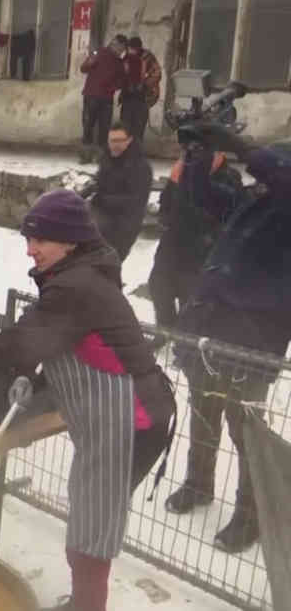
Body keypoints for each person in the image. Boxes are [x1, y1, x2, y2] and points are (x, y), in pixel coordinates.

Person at [0, 190, 174, 611]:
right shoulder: (78, 275)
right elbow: (66, 341)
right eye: (27, 240)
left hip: (131, 419)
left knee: (92, 530)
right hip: (116, 417)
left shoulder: (76, 285)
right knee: (89, 522)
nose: (30, 250)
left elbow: (26, 339)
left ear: (69, 242)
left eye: (40, 240)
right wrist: (34, 377)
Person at [163, 133, 291, 554]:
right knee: (204, 410)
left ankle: (251, 515)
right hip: (214, 328)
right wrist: (197, 153)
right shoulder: (254, 199)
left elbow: (276, 165)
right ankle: (198, 483)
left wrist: (236, 141)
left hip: (255, 337)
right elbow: (201, 196)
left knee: (245, 428)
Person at [148, 148, 242, 332]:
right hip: (172, 241)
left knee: (188, 296)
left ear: (220, 155)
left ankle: (184, 341)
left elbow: (226, 216)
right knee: (159, 287)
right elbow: (166, 202)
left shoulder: (229, 178)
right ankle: (165, 330)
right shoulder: (184, 170)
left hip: (199, 248)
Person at [83, 121, 152, 262]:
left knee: (108, 264)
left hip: (124, 224)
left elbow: (137, 201)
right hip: (101, 217)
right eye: (112, 141)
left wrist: (103, 199)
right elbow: (99, 184)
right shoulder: (106, 159)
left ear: (129, 141)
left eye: (120, 141)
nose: (115, 145)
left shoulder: (141, 167)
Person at [79, 37, 126, 164]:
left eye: (122, 50)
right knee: (88, 126)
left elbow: (122, 81)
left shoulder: (119, 62)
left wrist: (114, 87)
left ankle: (101, 158)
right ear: (113, 44)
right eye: (119, 48)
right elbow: (83, 68)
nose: (120, 51)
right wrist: (90, 62)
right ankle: (85, 156)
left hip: (106, 98)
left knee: (104, 129)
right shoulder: (98, 53)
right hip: (91, 96)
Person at [120, 37, 161, 143]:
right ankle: (125, 153)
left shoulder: (147, 57)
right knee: (125, 127)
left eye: (132, 48)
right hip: (127, 97)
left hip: (143, 98)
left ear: (138, 48)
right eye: (129, 48)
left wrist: (144, 85)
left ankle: (135, 153)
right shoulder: (126, 57)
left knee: (138, 128)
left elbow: (157, 74)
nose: (130, 51)